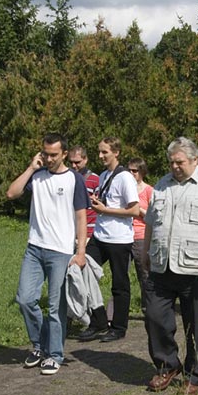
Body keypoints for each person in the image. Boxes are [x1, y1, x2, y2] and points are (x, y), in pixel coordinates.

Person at [142, 137, 198, 395]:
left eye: (179, 162)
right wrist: (148, 250)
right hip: (162, 265)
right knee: (155, 316)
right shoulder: (162, 184)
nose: (175, 166)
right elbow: (150, 221)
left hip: (196, 267)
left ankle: (195, 375)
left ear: (194, 160)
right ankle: (167, 364)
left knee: (194, 324)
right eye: (171, 162)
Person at [6, 134, 88, 375]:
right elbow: (11, 193)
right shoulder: (37, 176)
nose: (49, 159)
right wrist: (31, 167)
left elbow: (81, 216)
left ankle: (54, 354)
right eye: (46, 154)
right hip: (34, 247)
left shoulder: (74, 179)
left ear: (64, 154)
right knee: (24, 299)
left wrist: (80, 251)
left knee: (55, 306)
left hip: (61, 251)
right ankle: (40, 345)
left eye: (54, 154)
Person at [77, 137, 139, 343]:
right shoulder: (104, 175)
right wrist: (99, 203)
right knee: (81, 270)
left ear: (116, 152)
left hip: (119, 239)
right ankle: (99, 320)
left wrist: (105, 209)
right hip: (100, 235)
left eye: (105, 152)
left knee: (119, 284)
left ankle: (119, 327)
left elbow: (134, 210)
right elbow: (108, 202)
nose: (101, 156)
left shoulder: (125, 178)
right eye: (100, 152)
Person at [128, 157, 152, 311]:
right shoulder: (124, 188)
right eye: (129, 170)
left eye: (134, 171)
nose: (131, 173)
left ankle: (148, 308)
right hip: (124, 235)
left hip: (141, 235)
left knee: (144, 274)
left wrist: (138, 211)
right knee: (120, 275)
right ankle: (114, 313)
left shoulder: (149, 190)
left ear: (142, 172)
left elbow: (154, 216)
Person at [68, 146, 100, 238]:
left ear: (85, 159)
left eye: (77, 162)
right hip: (68, 232)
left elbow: (103, 207)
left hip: (89, 233)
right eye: (71, 162)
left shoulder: (95, 180)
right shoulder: (66, 178)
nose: (74, 166)